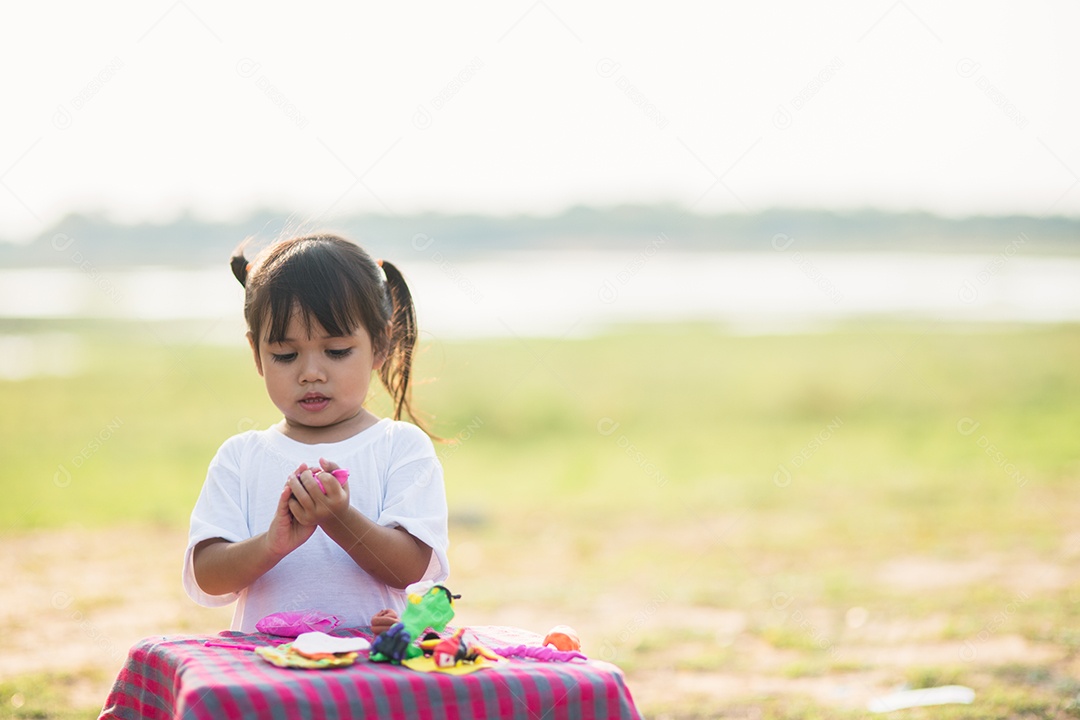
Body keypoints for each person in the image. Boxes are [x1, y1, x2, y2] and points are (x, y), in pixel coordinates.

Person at [182, 234, 449, 633]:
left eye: (337, 351)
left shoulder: (400, 447)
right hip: (270, 676)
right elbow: (208, 575)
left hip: (372, 674)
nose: (311, 373)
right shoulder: (240, 456)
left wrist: (341, 520)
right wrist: (271, 544)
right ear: (257, 353)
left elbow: (410, 568)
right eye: (285, 355)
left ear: (379, 344)